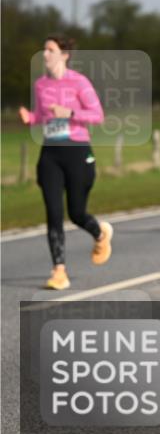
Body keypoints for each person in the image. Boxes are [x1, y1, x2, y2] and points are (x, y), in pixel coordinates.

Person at [18, 35, 113, 290]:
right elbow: (42, 116)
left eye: (50, 50)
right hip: (50, 154)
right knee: (54, 212)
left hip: (77, 152)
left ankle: (100, 234)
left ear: (64, 55)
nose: (45, 54)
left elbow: (98, 115)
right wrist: (31, 118)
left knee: (76, 213)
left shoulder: (79, 82)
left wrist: (70, 112)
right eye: (44, 49)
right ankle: (59, 271)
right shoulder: (40, 85)